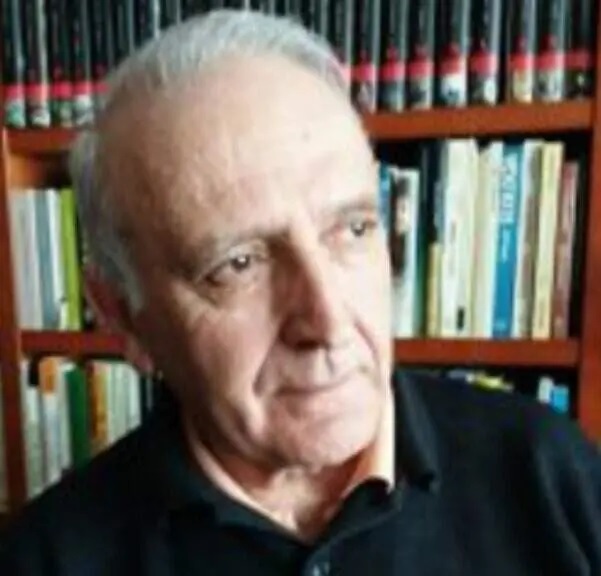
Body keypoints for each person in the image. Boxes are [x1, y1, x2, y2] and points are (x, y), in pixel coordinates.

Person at [1, 10, 601, 575]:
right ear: (123, 318)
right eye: (238, 264)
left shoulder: (553, 478)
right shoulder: (44, 558)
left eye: (353, 229)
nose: (328, 320)